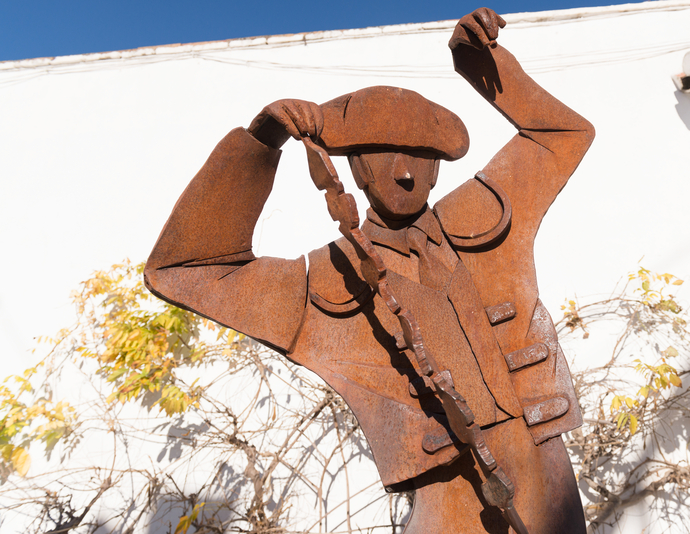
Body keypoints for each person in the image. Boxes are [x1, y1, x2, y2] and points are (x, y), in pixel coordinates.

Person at [145, 8, 594, 534]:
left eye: (419, 154)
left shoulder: (485, 217)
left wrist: (482, 64)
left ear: (437, 165)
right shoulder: (326, 280)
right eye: (381, 154)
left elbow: (562, 135)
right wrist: (261, 143)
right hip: (448, 504)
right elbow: (185, 268)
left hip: (550, 485)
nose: (403, 172)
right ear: (355, 167)